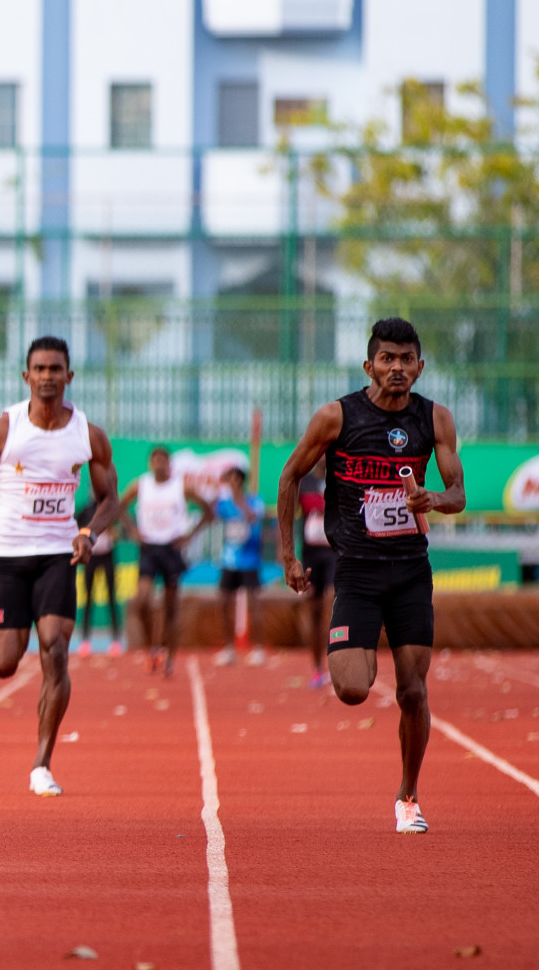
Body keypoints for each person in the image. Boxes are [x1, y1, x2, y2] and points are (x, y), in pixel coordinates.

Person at [276, 317, 465, 834]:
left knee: (413, 692)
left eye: (407, 360)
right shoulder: (337, 417)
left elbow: (458, 494)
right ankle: (361, 650)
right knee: (354, 690)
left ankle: (408, 796)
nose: (397, 368)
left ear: (420, 367)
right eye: (388, 358)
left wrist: (434, 500)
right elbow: (289, 475)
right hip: (356, 573)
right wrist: (289, 556)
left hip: (410, 572)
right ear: (369, 365)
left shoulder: (436, 420)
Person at [0, 335, 119, 797]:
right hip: (7, 559)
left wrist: (88, 533)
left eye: (57, 369)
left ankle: (42, 763)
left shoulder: (88, 435)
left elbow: (110, 497)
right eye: (40, 369)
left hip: (57, 556)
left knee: (54, 649)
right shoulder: (2, 430)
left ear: (69, 376)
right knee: (2, 664)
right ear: (26, 376)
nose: (48, 376)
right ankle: (0, 642)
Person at [119, 446, 214, 677]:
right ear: (150, 463)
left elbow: (208, 510)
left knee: (171, 608)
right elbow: (119, 506)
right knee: (141, 601)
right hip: (149, 548)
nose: (159, 464)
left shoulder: (180, 486)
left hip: (171, 548)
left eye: (163, 460)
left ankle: (169, 657)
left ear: (169, 463)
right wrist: (132, 531)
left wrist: (190, 535)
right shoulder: (141, 485)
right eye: (155, 459)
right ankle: (153, 647)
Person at [214, 464, 267, 666]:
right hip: (229, 560)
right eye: (231, 480)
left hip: (250, 560)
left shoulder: (254, 501)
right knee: (224, 603)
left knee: (254, 604)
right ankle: (229, 648)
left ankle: (259, 647)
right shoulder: (223, 503)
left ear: (242, 481)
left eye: (237, 480)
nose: (233, 484)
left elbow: (253, 517)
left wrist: (239, 499)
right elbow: (211, 513)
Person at [298, 456, 335, 688]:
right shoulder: (305, 483)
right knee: (314, 611)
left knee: (332, 604)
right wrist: (287, 553)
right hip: (311, 553)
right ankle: (317, 667)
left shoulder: (340, 480)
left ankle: (337, 663)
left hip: (334, 552)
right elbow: (292, 513)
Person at [74, 496, 119, 657]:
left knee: (111, 598)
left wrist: (114, 532)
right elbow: (76, 528)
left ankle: (115, 640)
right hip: (90, 557)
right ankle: (85, 641)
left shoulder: (110, 509)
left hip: (107, 555)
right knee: (88, 598)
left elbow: (119, 530)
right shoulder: (86, 510)